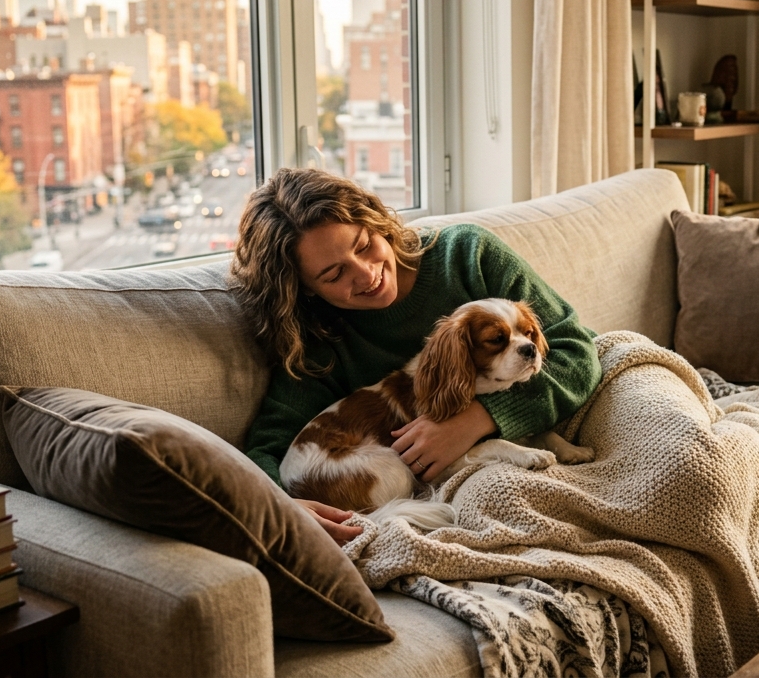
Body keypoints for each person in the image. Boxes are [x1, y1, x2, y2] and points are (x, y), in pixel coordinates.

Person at [231, 169, 601, 544]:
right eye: (334, 273)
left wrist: (478, 419)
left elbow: (578, 352)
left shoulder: (467, 254)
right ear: (305, 289)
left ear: (377, 223)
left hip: (568, 412)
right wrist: (281, 505)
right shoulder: (318, 338)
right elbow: (269, 445)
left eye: (363, 245)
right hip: (392, 483)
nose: (366, 274)